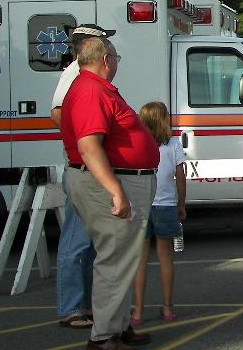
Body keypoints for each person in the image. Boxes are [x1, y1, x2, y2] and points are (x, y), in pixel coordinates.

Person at [61, 36, 159, 349]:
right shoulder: (91, 90)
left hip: (120, 178)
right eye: (116, 56)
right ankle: (104, 335)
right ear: (106, 59)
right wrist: (116, 190)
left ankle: (115, 326)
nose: (117, 62)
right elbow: (89, 147)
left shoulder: (92, 88)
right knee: (114, 260)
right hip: (114, 181)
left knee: (120, 258)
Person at [50, 24, 114, 330]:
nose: (107, 46)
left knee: (88, 243)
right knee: (76, 241)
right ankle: (72, 307)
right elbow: (58, 111)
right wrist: (81, 141)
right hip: (82, 167)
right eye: (103, 40)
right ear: (88, 43)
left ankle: (84, 304)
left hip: (87, 166)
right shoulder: (75, 72)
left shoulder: (84, 74)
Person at [131, 102, 187, 326]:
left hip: (142, 205)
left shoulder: (138, 142)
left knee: (140, 261)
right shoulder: (173, 144)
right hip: (166, 206)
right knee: (166, 258)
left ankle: (137, 312)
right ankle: (167, 308)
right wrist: (181, 204)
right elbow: (180, 177)